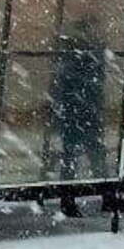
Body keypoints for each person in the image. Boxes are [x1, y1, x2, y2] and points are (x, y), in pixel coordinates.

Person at [51, 16, 111, 217]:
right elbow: (79, 82)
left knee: (88, 156)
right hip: (78, 112)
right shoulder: (77, 55)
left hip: (83, 112)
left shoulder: (80, 54)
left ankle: (104, 197)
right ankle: (71, 200)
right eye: (91, 30)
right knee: (77, 157)